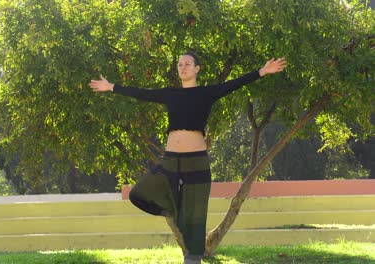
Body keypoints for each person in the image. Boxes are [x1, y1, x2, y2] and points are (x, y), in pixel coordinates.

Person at [89, 53, 287, 264]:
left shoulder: (206, 93)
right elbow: (142, 93)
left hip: (196, 161)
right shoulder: (170, 94)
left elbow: (234, 84)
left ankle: (192, 259)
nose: (183, 67)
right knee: (138, 193)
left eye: (188, 64)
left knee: (196, 215)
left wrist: (262, 71)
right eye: (180, 64)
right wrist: (111, 87)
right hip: (171, 161)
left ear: (197, 69)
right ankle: (175, 210)